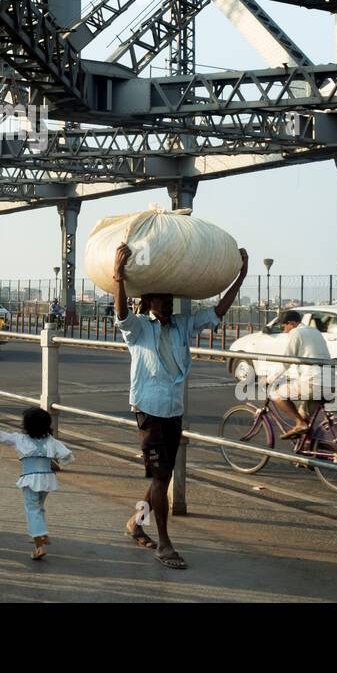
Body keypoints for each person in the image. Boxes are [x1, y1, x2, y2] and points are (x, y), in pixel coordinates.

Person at [112, 241, 249, 570]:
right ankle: (165, 543)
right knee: (161, 479)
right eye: (162, 300)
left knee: (163, 474)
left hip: (173, 410)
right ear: (148, 301)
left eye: (171, 300)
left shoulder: (182, 326)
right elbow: (121, 314)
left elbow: (217, 312)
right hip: (148, 409)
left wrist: (241, 277)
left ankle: (135, 522)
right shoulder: (139, 329)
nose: (169, 305)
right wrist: (118, 276)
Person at [0, 406, 74, 561]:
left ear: (26, 426)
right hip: (48, 479)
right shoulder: (52, 441)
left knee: (32, 508)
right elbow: (67, 455)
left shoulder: (20, 439)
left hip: (30, 479)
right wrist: (57, 464)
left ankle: (39, 543)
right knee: (39, 506)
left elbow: (2, 437)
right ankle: (41, 534)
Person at [269, 310, 332, 438]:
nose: (284, 330)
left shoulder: (296, 332)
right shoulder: (314, 331)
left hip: (313, 382)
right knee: (304, 418)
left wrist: (270, 378)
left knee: (276, 394)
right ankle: (311, 446)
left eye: (284, 326)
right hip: (329, 381)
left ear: (291, 323)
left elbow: (286, 360)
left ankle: (299, 424)